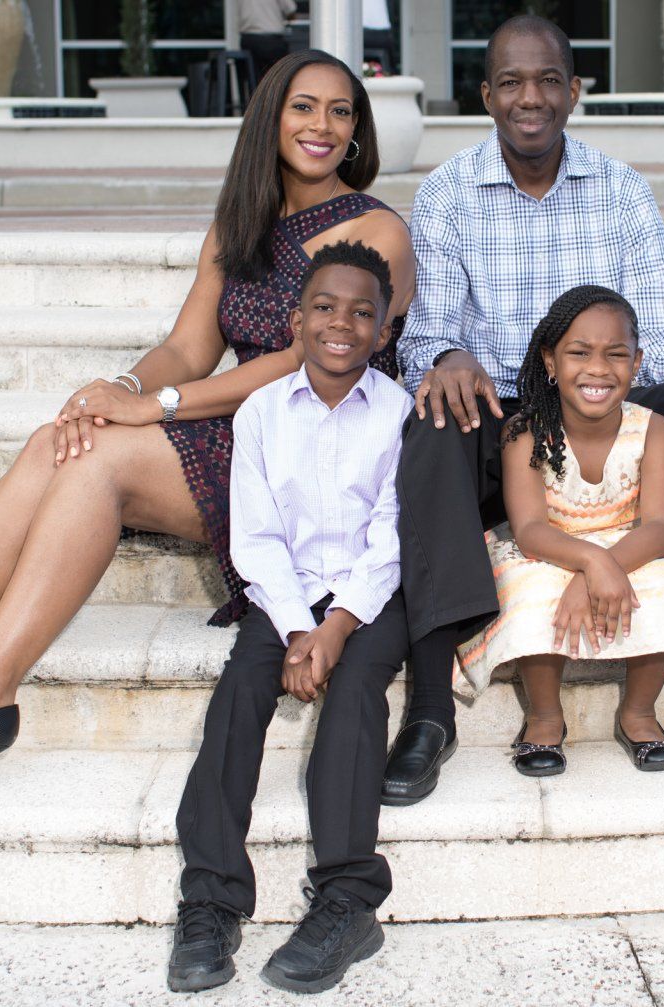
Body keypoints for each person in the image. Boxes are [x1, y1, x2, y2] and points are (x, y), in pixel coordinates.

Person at [0, 51, 415, 791]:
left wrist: (152, 407)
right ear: (270, 119)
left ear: (356, 131)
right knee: (55, 441)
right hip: (241, 428)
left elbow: (296, 361)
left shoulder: (377, 230)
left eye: (340, 110)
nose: (321, 124)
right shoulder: (240, 221)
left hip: (316, 451)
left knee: (102, 463)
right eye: (303, 106)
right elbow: (190, 346)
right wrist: (115, 387)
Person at [383, 15, 664, 802]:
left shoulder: (621, 190)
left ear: (574, 92)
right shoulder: (447, 194)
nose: (531, 97)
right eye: (511, 82)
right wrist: (445, 359)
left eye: (549, 80)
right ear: (486, 95)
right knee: (433, 418)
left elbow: (662, 331)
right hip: (505, 410)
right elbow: (432, 335)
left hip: (609, 402)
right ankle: (430, 708)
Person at [166, 241, 411, 996]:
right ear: (297, 320)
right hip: (287, 593)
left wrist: (335, 627)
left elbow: (392, 536)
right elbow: (255, 535)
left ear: (384, 330)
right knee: (241, 691)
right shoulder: (263, 410)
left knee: (356, 693)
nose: (343, 323)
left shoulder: (399, 412)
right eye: (326, 308)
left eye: (362, 312)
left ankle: (347, 897)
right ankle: (210, 896)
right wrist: (297, 624)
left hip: (372, 596)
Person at [458, 285, 664, 775]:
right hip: (549, 550)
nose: (598, 368)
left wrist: (602, 565)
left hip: (632, 546)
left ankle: (639, 712)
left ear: (637, 364)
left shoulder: (654, 427)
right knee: (529, 587)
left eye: (616, 354)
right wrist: (589, 563)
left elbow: (659, 527)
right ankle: (545, 716)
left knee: (662, 583)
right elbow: (529, 530)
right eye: (579, 353)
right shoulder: (523, 433)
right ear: (550, 361)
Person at [239, 0, 296, 89]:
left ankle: (254, 100)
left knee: (252, 77)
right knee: (280, 77)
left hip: (248, 39)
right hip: (272, 39)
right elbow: (291, 10)